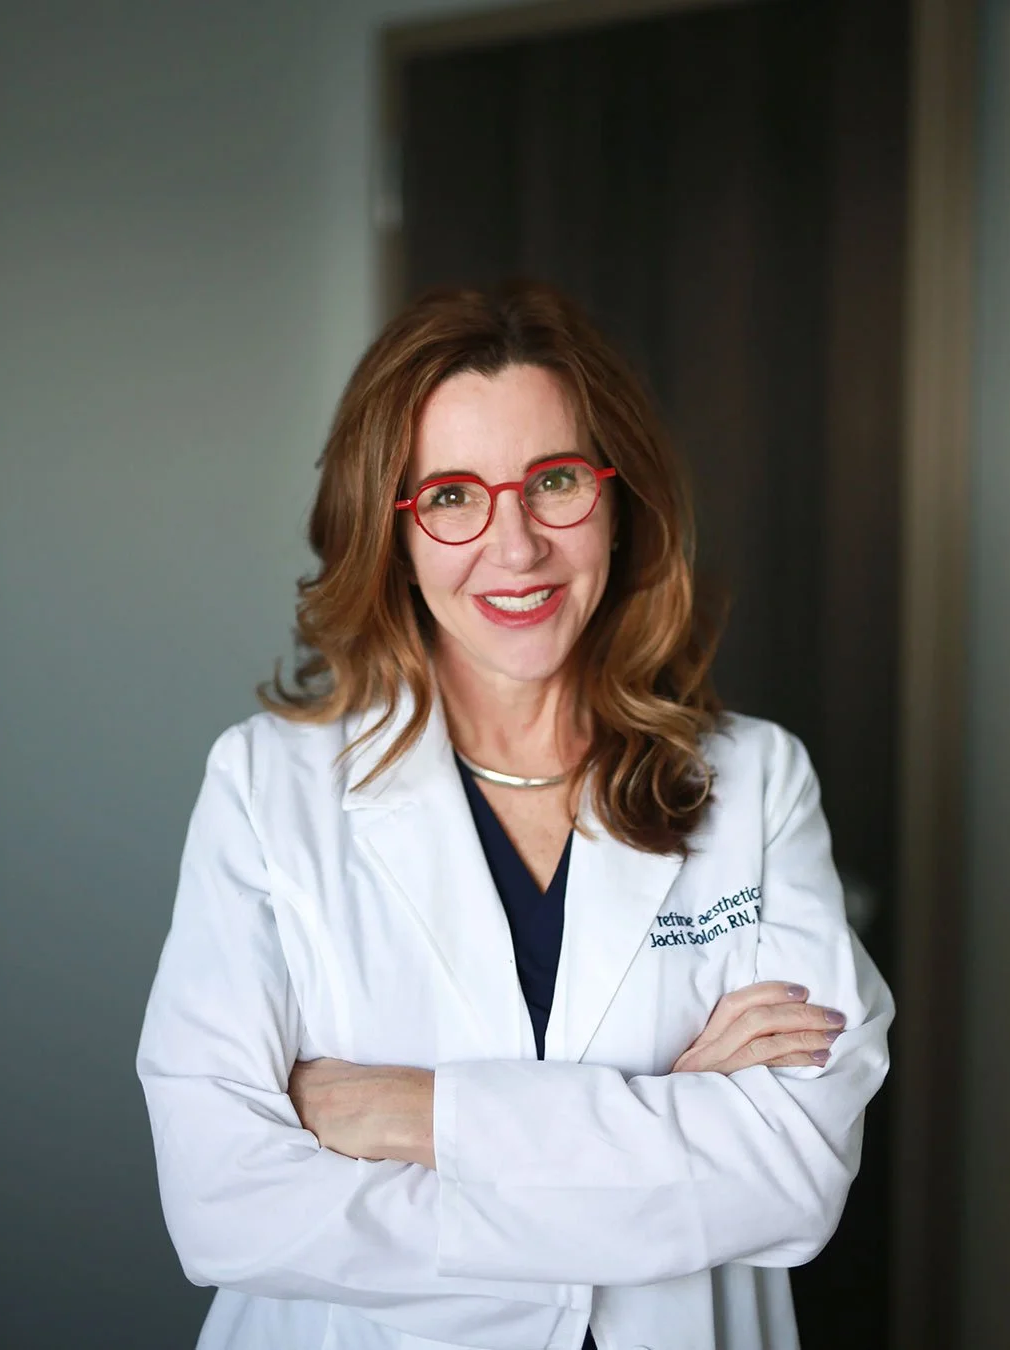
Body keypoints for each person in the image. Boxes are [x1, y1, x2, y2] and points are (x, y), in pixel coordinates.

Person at [137, 281, 893, 1350]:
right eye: (451, 496)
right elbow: (226, 1210)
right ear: (389, 530)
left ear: (619, 497)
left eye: (555, 481)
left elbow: (793, 1178)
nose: (517, 544)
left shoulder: (757, 783)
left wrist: (415, 1114)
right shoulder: (267, 790)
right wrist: (656, 1136)